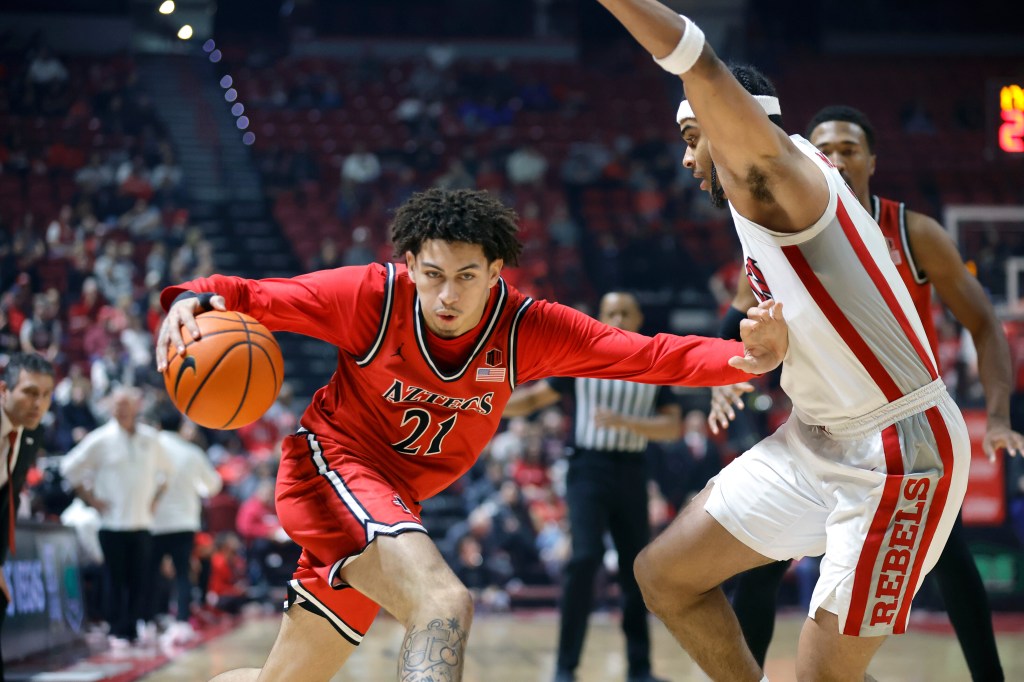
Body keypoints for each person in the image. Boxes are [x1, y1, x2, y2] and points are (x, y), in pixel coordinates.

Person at [154, 187, 788, 682]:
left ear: (496, 271)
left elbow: (645, 354)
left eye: (465, 276)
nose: (447, 294)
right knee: (444, 603)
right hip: (332, 471)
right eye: (432, 275)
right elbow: (258, 296)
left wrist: (745, 356)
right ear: (409, 264)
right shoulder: (371, 297)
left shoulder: (526, 328)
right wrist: (190, 297)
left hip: (394, 503)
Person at [595, 2, 972, 680]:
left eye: (692, 134)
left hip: (898, 453)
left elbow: (698, 62)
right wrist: (768, 352)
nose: (685, 157)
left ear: (730, 124)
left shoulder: (781, 177)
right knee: (665, 576)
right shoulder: (762, 205)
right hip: (813, 437)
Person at [723, 105, 1024, 681]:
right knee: (759, 567)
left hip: (902, 429)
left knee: (952, 560)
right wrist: (723, 380)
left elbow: (985, 323)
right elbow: (737, 316)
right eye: (823, 148)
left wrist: (1002, 414)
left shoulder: (913, 232)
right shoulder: (774, 231)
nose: (834, 159)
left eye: (848, 149)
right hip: (820, 427)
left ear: (872, 161)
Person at [503, 291, 680, 682]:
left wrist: (627, 423)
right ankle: (565, 668)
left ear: (638, 320)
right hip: (587, 469)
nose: (616, 318)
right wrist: (483, 399)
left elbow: (672, 426)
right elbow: (533, 399)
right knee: (584, 559)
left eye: (624, 312)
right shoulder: (581, 359)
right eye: (609, 312)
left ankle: (640, 669)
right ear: (599, 318)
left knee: (637, 569)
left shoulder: (655, 364)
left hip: (632, 469)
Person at [61, 386, 173, 645]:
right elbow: (69, 468)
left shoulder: (150, 439)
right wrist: (90, 498)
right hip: (111, 525)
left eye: (126, 404)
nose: (121, 409)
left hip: (142, 523)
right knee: (115, 580)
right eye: (117, 404)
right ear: (111, 408)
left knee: (139, 580)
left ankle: (132, 628)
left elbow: (167, 472)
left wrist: (156, 499)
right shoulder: (101, 439)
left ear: (136, 406)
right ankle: (117, 629)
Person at [0, 353, 56, 679]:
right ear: (4, 389)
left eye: (47, 395)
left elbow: (4, 501)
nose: (39, 404)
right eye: (31, 392)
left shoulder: (32, 434)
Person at [149, 410, 223, 645]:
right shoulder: (191, 452)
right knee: (182, 573)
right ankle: (181, 621)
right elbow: (212, 486)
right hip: (183, 522)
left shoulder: (150, 448)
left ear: (158, 424)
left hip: (152, 521)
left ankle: (148, 622)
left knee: (150, 573)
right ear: (181, 426)